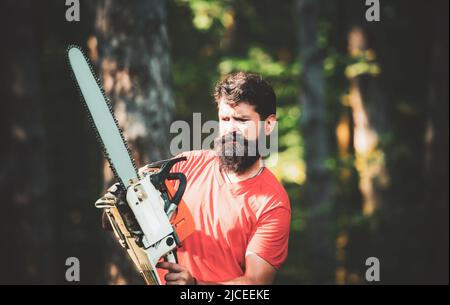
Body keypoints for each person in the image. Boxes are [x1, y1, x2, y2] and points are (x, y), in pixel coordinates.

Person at [106, 72, 291, 285]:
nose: (230, 129)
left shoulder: (272, 202)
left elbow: (256, 284)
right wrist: (122, 205)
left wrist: (194, 287)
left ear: (268, 125)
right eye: (225, 119)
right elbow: (114, 218)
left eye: (241, 120)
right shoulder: (188, 165)